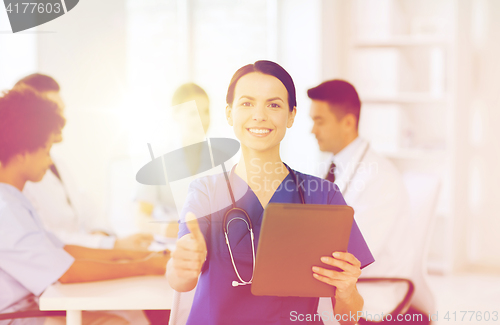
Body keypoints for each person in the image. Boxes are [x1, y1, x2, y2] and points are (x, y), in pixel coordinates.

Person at [166, 61, 374, 325]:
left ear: (291, 116)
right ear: (229, 114)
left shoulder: (323, 196)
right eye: (247, 103)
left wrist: (347, 291)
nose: (259, 115)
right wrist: (181, 265)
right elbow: (180, 280)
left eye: (274, 105)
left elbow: (350, 317)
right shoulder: (206, 193)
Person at [0, 86, 169, 325]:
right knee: (120, 322)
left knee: (131, 316)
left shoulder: (14, 200)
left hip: (36, 307)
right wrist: (145, 266)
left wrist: (134, 255)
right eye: (46, 150)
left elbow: (64, 250)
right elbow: (67, 273)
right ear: (23, 152)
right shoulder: (6, 211)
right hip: (19, 316)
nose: (49, 161)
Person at [15, 73, 153, 250]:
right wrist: (110, 244)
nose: (63, 120)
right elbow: (43, 236)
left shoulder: (59, 165)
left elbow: (88, 209)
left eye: (62, 110)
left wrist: (101, 234)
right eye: (53, 110)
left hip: (80, 256)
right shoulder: (19, 175)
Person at [136, 83, 211, 238]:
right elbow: (140, 218)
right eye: (193, 113)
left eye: (206, 111)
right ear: (175, 114)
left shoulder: (222, 160)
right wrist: (165, 229)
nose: (202, 119)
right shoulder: (156, 159)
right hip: (168, 245)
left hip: (209, 245)